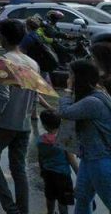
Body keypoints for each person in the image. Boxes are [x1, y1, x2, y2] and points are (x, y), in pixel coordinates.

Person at [0, 18, 39, 214]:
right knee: (18, 169)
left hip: (3, 124)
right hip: (23, 125)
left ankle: (10, 208)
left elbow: (2, 96)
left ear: (4, 37)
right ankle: (23, 210)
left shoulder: (3, 61)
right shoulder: (32, 63)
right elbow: (35, 96)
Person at [56, 59, 111, 213]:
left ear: (78, 78)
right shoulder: (96, 94)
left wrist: (68, 90)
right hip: (89, 158)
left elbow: (65, 112)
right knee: (82, 197)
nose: (68, 79)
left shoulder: (92, 101)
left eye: (70, 76)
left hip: (100, 160)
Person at [37, 110, 78, 214]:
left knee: (50, 197)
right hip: (63, 176)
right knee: (63, 201)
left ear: (44, 125)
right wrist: (79, 174)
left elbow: (40, 157)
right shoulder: (63, 139)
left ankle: (50, 212)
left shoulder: (40, 140)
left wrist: (42, 170)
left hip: (48, 174)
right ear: (60, 124)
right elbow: (71, 159)